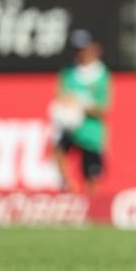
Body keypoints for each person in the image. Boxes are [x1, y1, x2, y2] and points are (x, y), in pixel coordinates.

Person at [51, 30, 111, 195]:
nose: (79, 53)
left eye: (82, 49)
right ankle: (67, 187)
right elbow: (60, 97)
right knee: (58, 151)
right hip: (70, 129)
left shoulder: (101, 75)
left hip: (90, 133)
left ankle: (92, 205)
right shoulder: (68, 73)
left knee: (90, 176)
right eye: (77, 49)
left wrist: (79, 105)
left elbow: (103, 108)